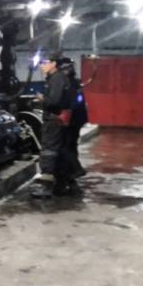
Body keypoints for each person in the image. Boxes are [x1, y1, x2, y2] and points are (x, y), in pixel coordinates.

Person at [32, 54, 74, 198]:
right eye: (40, 63)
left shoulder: (56, 79)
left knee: (48, 151)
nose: (42, 66)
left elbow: (54, 101)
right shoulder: (58, 78)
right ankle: (62, 185)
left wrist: (42, 99)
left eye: (44, 63)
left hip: (53, 120)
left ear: (54, 64)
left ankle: (46, 188)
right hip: (58, 120)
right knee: (58, 152)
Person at [61, 56, 88, 188]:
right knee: (72, 145)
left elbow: (74, 102)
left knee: (65, 146)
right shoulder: (75, 82)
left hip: (71, 120)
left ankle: (76, 169)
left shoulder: (68, 83)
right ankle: (71, 174)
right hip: (77, 119)